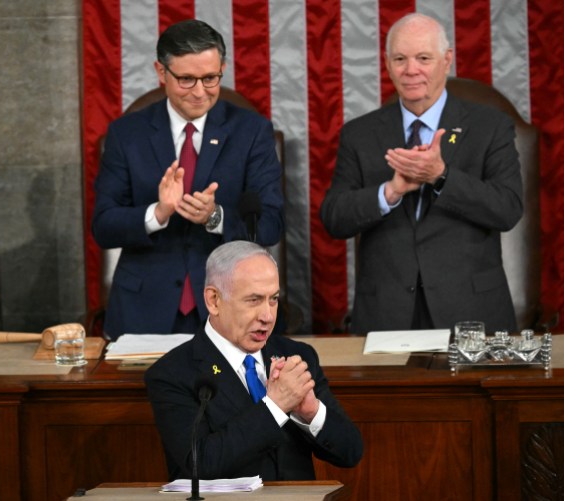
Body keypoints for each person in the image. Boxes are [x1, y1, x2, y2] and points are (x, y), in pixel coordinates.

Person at [320, 13, 523, 335]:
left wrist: (441, 176)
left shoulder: (490, 127)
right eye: (400, 59)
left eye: (423, 58)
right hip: (386, 316)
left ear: (447, 61)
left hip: (470, 313)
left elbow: (507, 209)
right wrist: (389, 192)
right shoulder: (359, 133)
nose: (410, 69)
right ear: (387, 64)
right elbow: (334, 217)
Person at [92, 20, 283, 339]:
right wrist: (158, 213)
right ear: (161, 72)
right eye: (186, 79)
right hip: (143, 312)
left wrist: (216, 217)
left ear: (222, 68)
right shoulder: (127, 134)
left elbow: (271, 224)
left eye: (210, 78)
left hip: (229, 311)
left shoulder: (252, 133)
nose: (199, 92)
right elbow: (103, 226)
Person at [145, 241, 363, 481]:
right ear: (214, 300)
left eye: (274, 299)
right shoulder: (172, 373)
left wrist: (312, 413)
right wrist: (275, 406)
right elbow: (200, 464)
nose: (267, 316)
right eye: (254, 300)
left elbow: (351, 452)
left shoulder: (297, 356)